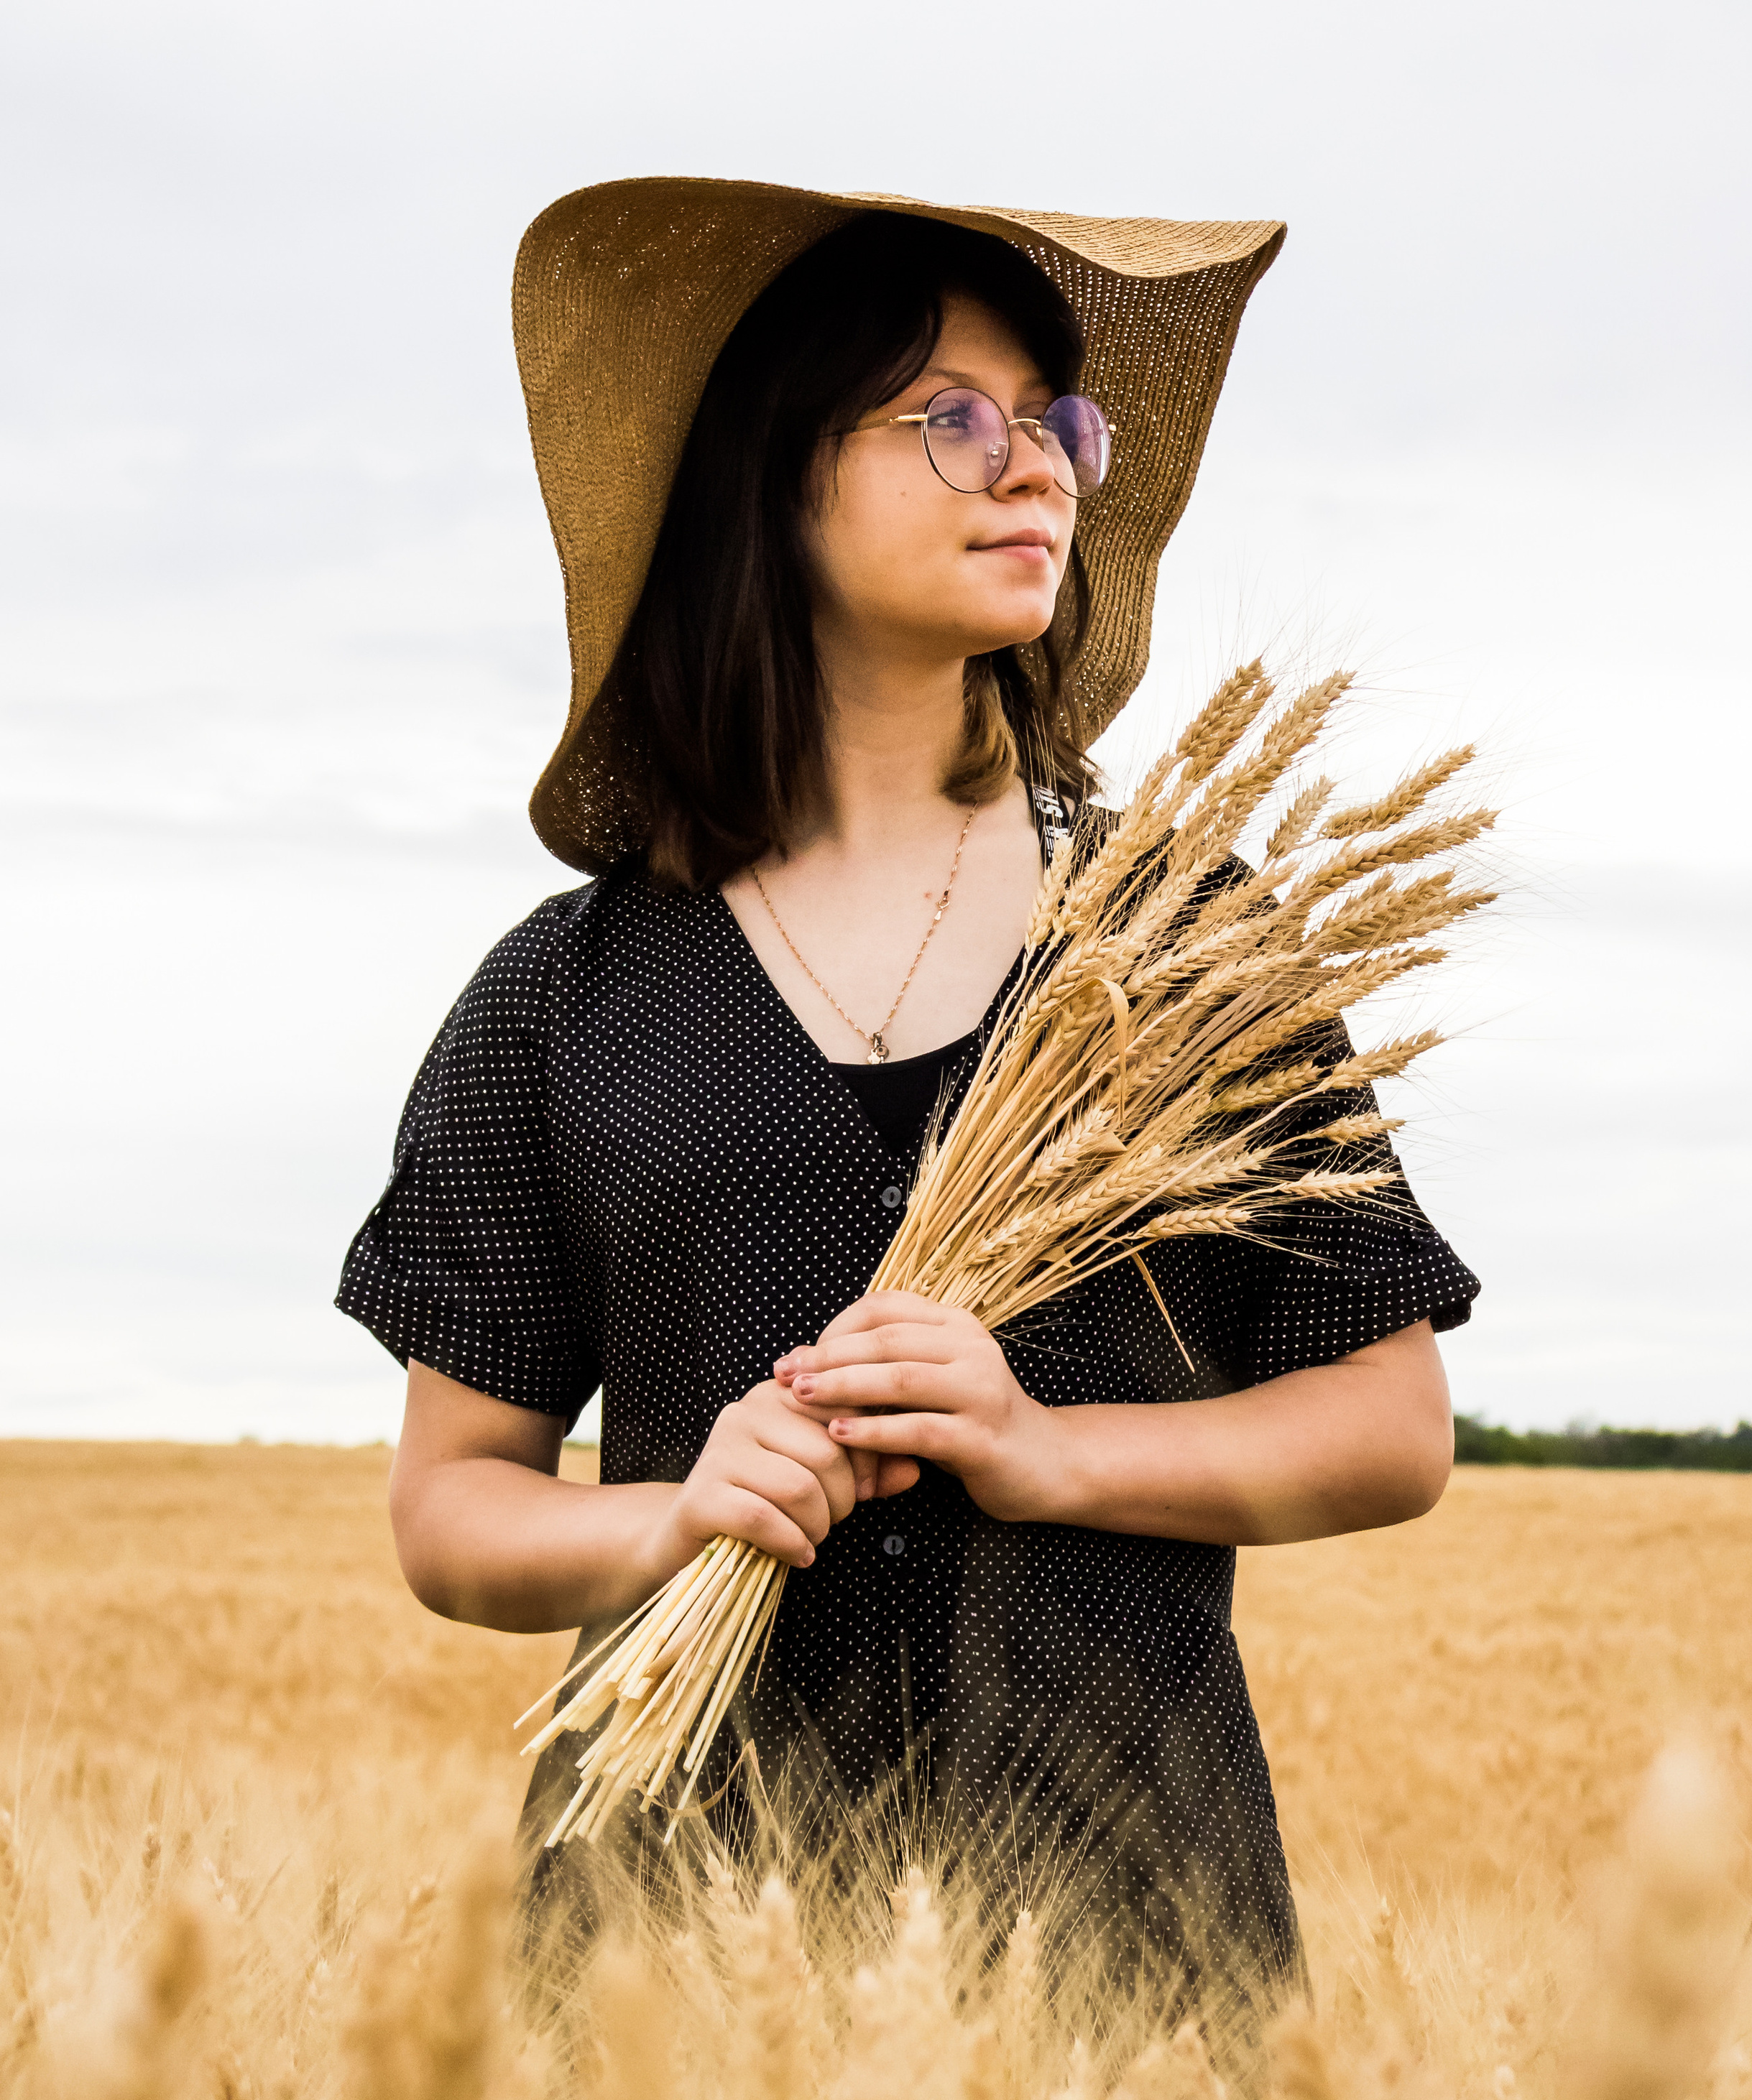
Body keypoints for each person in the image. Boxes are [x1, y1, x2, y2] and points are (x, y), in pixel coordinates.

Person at [336, 180, 1479, 1999]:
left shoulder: (1177, 949)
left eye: (1055, 423)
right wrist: (679, 1515)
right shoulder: (564, 999)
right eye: (951, 419)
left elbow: (1390, 1424)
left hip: (1128, 1944)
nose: (1034, 467)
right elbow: (450, 1510)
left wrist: (1047, 1455)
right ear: (767, 476)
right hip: (672, 1976)